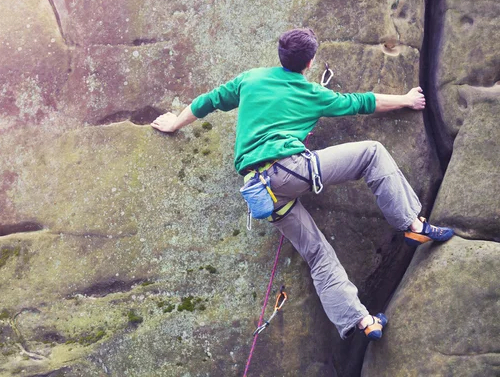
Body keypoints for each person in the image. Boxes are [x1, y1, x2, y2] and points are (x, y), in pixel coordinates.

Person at [151, 28, 454, 340]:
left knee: (318, 255)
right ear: (309, 63)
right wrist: (405, 99)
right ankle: (411, 224)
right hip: (288, 170)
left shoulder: (250, 80)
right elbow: (361, 102)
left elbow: (207, 101)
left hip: (260, 193)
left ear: (280, 54)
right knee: (372, 153)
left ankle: (362, 322)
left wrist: (175, 122)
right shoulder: (312, 94)